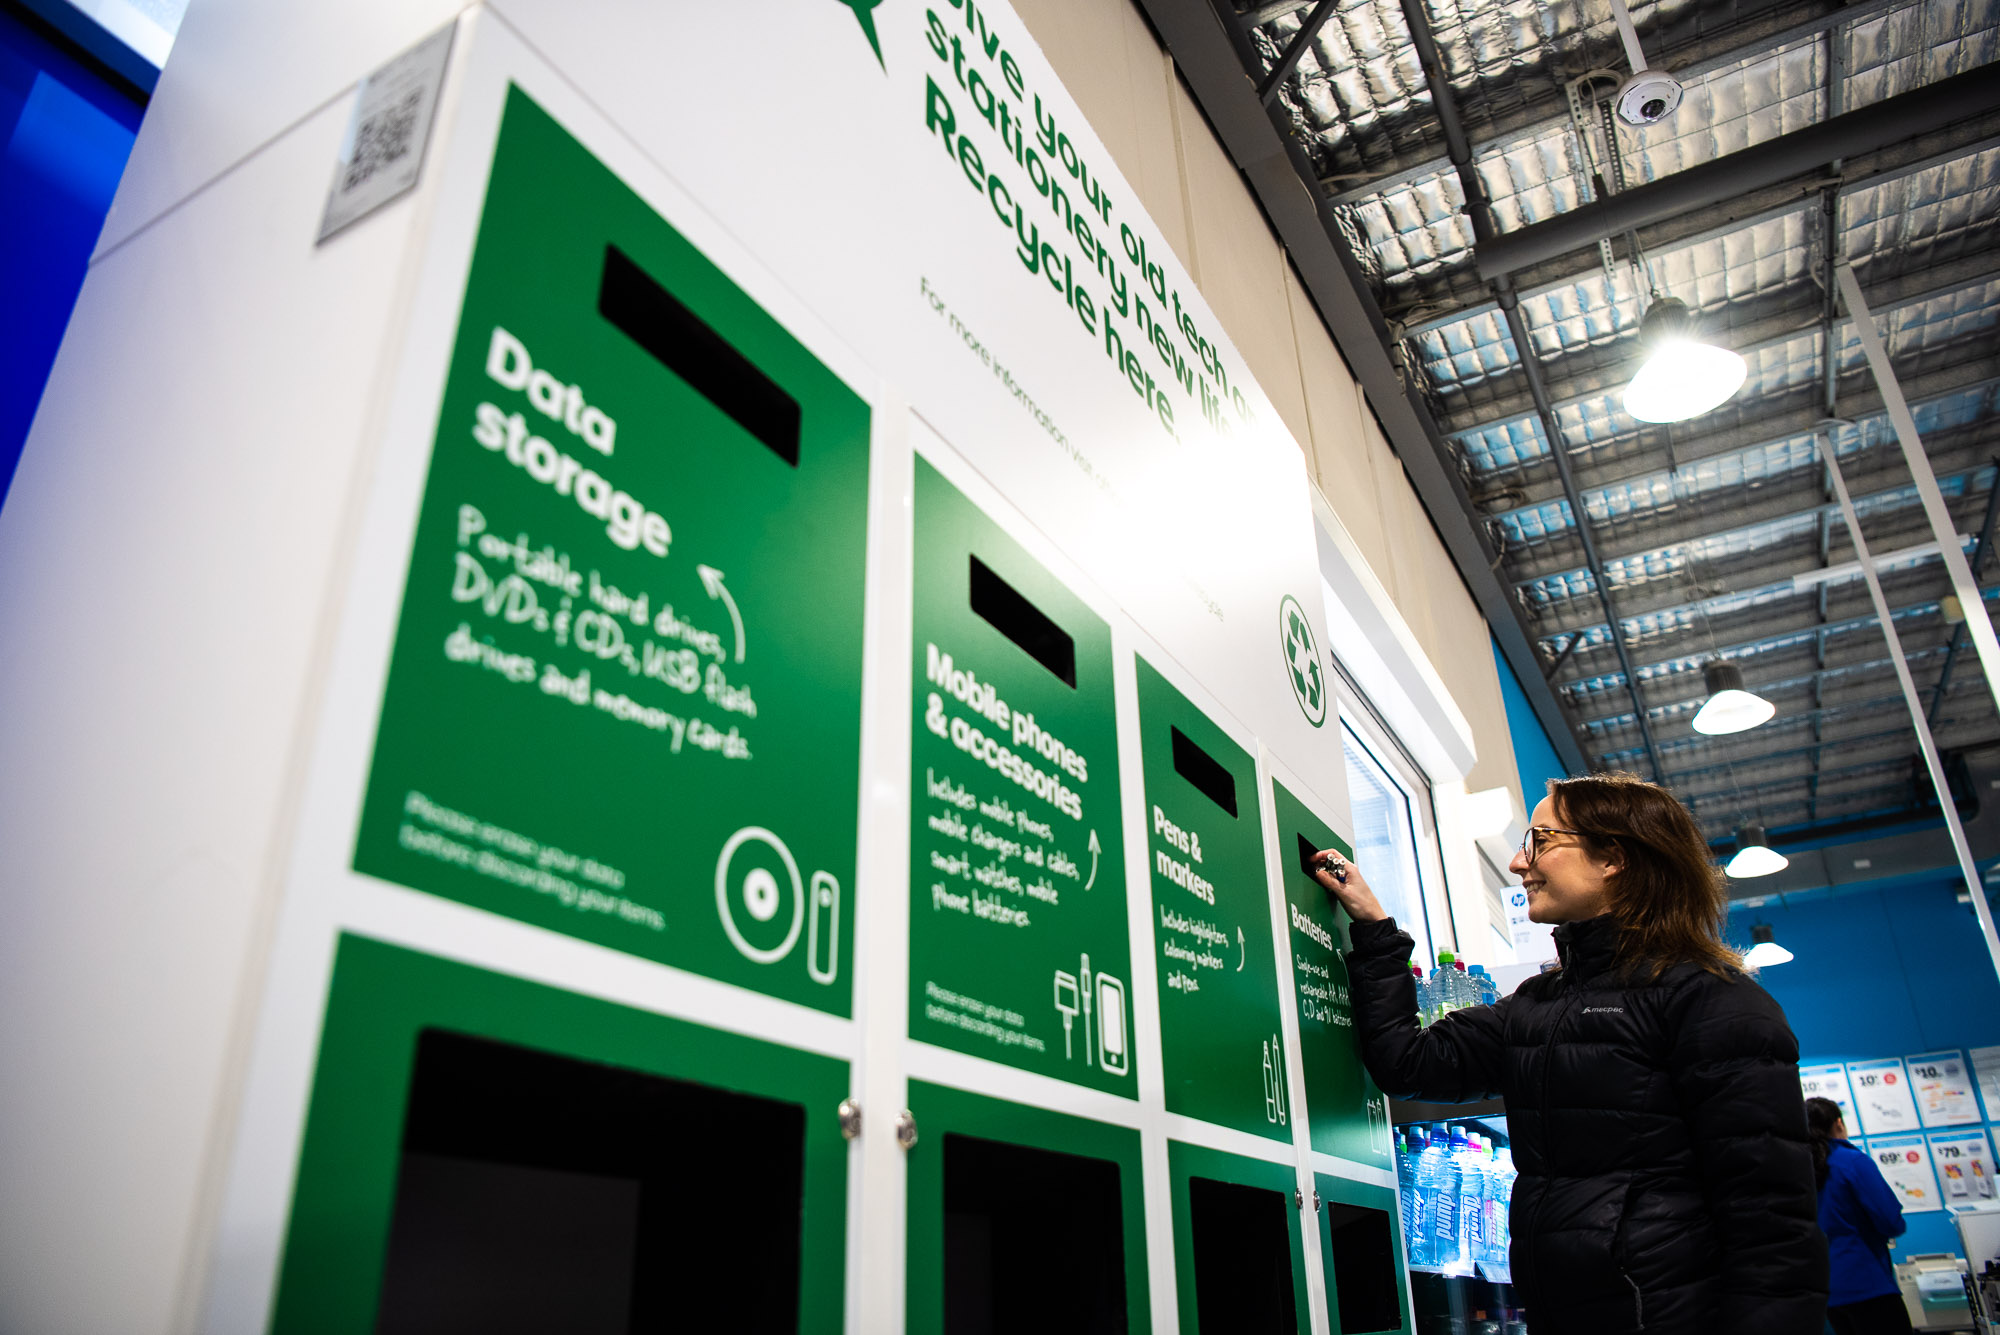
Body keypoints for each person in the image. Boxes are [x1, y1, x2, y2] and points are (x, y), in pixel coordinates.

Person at [1312, 772, 1827, 1335]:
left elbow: (1772, 1225)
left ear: (1613, 858)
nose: (1516, 862)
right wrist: (1375, 929)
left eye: (1540, 840)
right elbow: (1408, 1064)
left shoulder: (1713, 1001)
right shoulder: (1538, 1006)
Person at [1807, 1096, 1913, 1334]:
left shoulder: (1800, 1169)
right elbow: (1890, 1221)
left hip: (1827, 1290)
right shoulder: (1851, 1161)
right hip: (1868, 1284)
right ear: (1838, 1124)